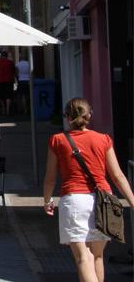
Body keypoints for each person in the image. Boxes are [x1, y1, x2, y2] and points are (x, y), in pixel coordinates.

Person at [43, 98, 134, 282]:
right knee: (97, 256)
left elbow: (50, 177)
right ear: (89, 115)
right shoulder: (104, 139)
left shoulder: (58, 140)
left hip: (74, 201)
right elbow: (117, 176)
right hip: (104, 201)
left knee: (83, 257)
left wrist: (47, 200)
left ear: (67, 117)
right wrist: (132, 202)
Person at [0, 50, 16, 116]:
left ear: (1, 56)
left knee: (0, 95)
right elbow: (14, 71)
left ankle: (3, 108)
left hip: (0, 81)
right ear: (7, 56)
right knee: (8, 95)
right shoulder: (11, 62)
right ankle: (8, 110)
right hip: (9, 81)